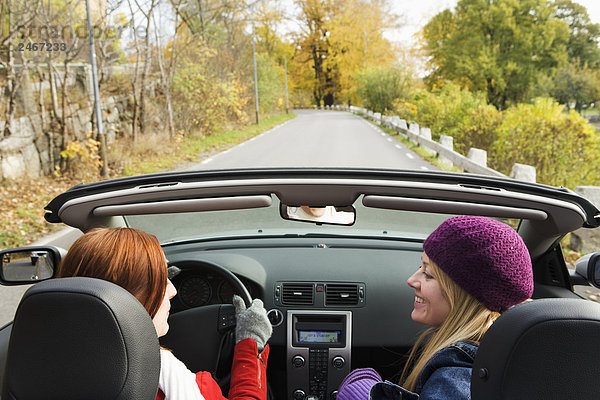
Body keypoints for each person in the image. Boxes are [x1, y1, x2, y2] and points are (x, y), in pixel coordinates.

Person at [57, 227, 272, 400]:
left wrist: (150, 284)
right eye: (160, 282)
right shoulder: (174, 385)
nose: (173, 290)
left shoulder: (41, 365)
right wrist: (251, 345)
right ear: (127, 299)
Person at [336, 216, 533, 400]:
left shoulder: (458, 372)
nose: (412, 280)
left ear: (464, 294)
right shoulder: (505, 356)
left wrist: (363, 392)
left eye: (428, 274)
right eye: (420, 268)